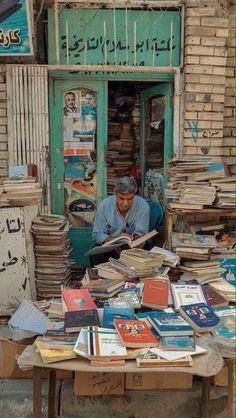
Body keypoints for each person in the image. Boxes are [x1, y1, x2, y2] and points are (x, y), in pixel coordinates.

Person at [90, 176, 150, 266]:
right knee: (95, 253)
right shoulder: (105, 205)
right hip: (111, 246)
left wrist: (130, 242)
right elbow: (98, 234)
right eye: (121, 198)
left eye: (130, 199)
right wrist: (115, 242)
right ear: (115, 193)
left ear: (134, 194)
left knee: (149, 254)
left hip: (133, 247)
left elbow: (141, 236)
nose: (125, 203)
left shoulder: (143, 206)